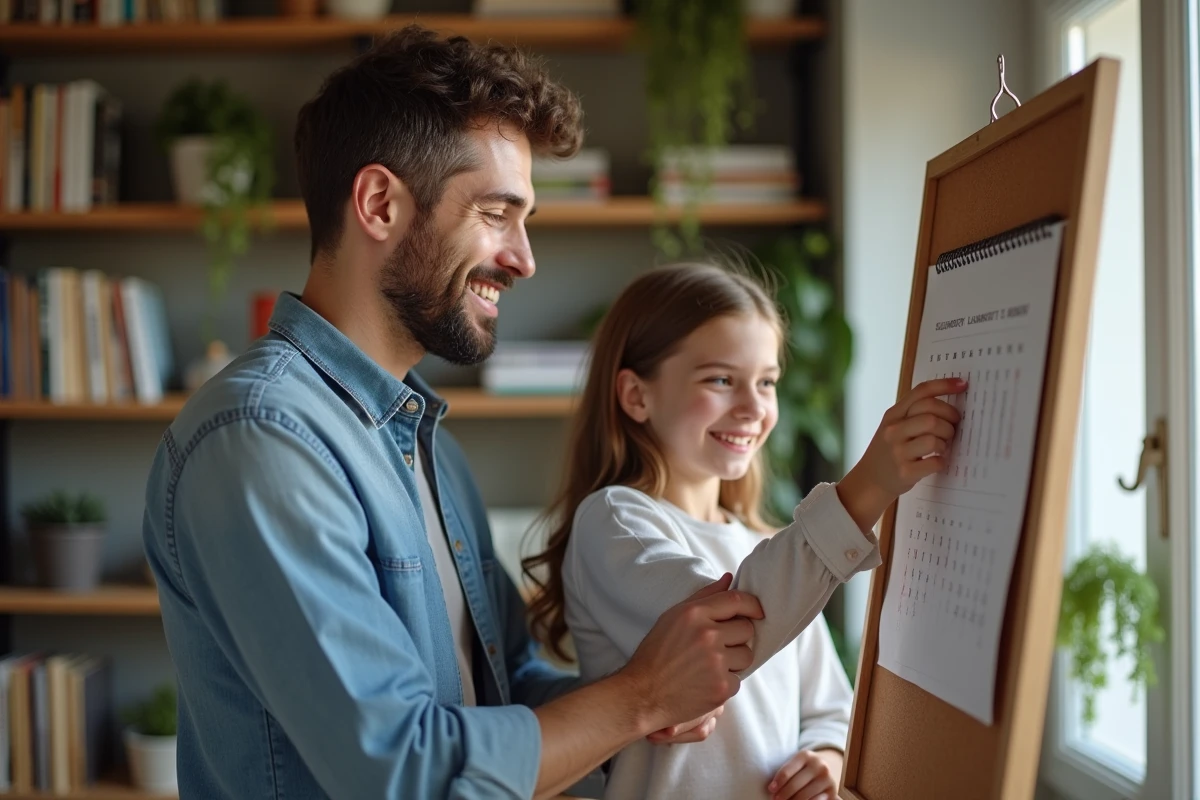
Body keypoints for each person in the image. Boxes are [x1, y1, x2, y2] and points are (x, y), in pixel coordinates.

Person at [141, 27, 768, 799]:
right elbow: (401, 770)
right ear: (379, 204)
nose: (525, 258)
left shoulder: (424, 443)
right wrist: (638, 697)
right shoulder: (262, 440)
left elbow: (506, 683)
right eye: (498, 212)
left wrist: (658, 705)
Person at [523, 263, 967, 800]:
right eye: (720, 380)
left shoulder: (765, 548)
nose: (755, 408)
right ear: (636, 396)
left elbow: (830, 706)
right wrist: (867, 488)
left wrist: (827, 756)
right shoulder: (614, 521)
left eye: (766, 382)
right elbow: (725, 633)